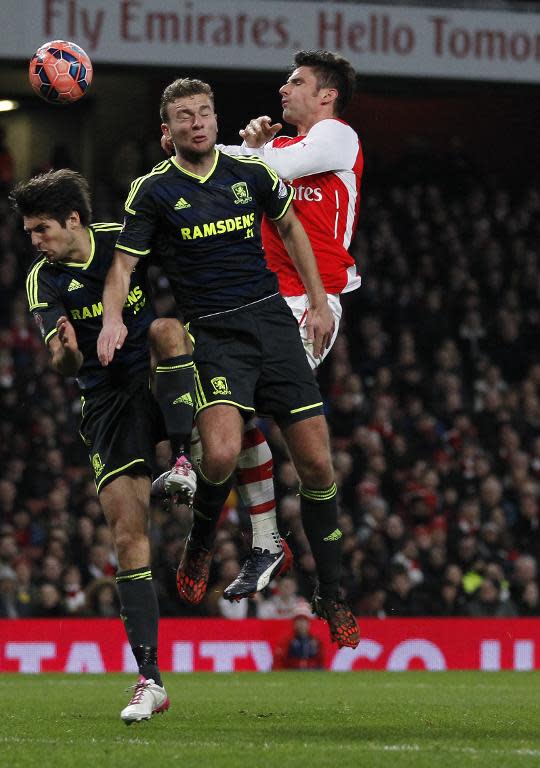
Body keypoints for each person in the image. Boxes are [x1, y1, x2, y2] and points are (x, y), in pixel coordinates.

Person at [98, 78, 359, 649]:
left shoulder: (252, 172)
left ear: (216, 122)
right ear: (167, 134)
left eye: (206, 113)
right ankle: (201, 543)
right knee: (217, 451)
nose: (199, 122)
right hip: (213, 332)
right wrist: (113, 318)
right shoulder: (153, 191)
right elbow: (122, 266)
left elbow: (291, 228)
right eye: (185, 116)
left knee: (317, 464)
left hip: (270, 322)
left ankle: (332, 591)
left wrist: (317, 301)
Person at [157, 51, 363, 609]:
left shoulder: (338, 138)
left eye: (296, 82)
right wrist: (247, 147)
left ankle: (273, 542)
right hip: (264, 303)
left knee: (248, 416)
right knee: (229, 413)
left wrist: (231, 148)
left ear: (326, 96)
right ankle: (267, 541)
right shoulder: (283, 146)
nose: (283, 89)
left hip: (312, 304)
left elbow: (260, 173)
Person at [10, 169, 195, 724]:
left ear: (74, 220)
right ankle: (151, 679)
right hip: (107, 402)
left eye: (41, 230)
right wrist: (65, 352)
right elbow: (63, 362)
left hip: (158, 375)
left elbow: (185, 259)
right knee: (126, 534)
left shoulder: (123, 234)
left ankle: (184, 458)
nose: (35, 242)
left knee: (168, 330)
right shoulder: (42, 280)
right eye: (29, 233)